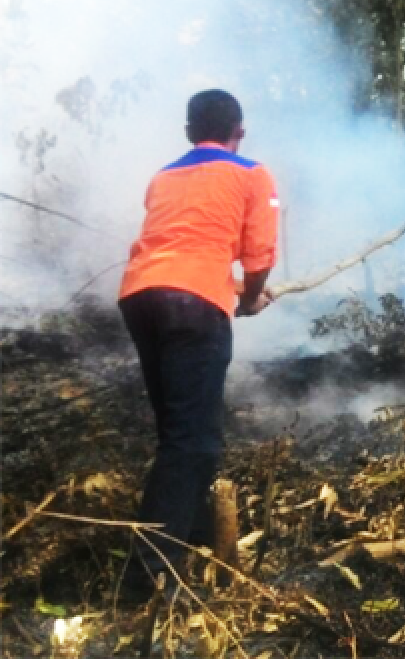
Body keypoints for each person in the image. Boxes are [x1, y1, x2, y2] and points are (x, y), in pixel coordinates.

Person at [117, 90, 278, 599]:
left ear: (190, 132)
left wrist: (231, 290)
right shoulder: (251, 173)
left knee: (177, 432)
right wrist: (250, 298)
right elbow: (259, 258)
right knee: (195, 442)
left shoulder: (163, 177)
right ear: (240, 130)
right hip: (192, 305)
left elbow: (184, 248)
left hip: (141, 298)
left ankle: (188, 536)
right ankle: (151, 578)